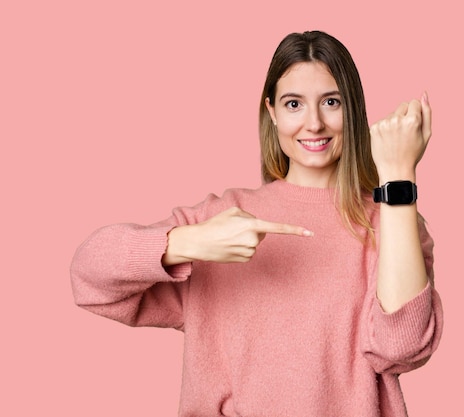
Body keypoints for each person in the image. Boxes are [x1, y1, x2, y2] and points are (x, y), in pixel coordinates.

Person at [71, 30, 443, 416]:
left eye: (331, 102)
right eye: (294, 103)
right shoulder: (224, 219)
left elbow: (402, 348)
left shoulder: (393, 227)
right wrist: (187, 243)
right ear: (272, 112)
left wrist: (399, 177)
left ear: (353, 109)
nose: (313, 123)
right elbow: (89, 278)